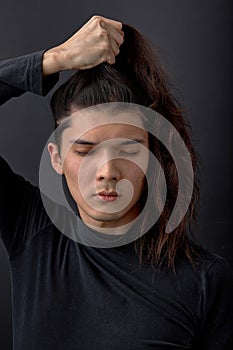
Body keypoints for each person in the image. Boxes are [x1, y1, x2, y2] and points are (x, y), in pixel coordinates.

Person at [0, 15, 232, 350]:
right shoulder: (33, 230)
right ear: (56, 158)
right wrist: (55, 59)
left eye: (128, 150)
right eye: (85, 149)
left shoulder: (204, 281)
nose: (108, 170)